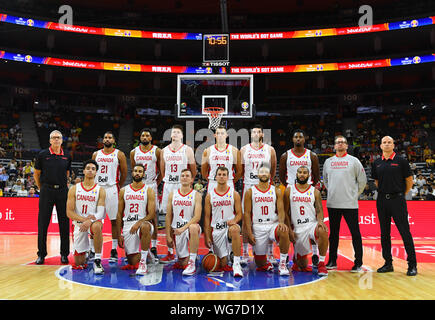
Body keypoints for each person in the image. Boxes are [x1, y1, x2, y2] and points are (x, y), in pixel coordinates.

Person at [371, 136, 417, 276]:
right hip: (382, 201)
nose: (386, 144)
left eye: (389, 142)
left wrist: (400, 194)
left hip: (398, 200)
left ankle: (412, 265)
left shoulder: (401, 161)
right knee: (385, 234)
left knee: (405, 232)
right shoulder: (376, 162)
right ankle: (388, 263)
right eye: (384, 142)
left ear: (393, 145)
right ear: (380, 146)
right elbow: (377, 182)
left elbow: (409, 181)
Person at [323, 135, 367, 272]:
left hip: (350, 204)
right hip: (333, 203)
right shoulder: (328, 162)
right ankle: (332, 261)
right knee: (333, 234)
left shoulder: (354, 161)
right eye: (338, 142)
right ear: (334, 146)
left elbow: (362, 181)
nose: (340, 144)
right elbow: (326, 181)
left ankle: (358, 262)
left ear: (347, 146)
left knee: (355, 233)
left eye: (343, 142)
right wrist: (333, 192)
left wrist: (354, 195)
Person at [279, 129, 321, 266]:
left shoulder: (312, 155)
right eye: (295, 137)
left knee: (312, 220)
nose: (298, 139)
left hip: (308, 190)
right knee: (291, 223)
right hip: (291, 190)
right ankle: (293, 253)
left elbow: (316, 174)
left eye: (300, 137)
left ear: (304, 139)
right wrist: (290, 186)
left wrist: (308, 187)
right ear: (292, 139)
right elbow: (281, 175)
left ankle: (315, 252)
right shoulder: (286, 155)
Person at [243, 165, 292, 275]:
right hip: (258, 225)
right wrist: (250, 233)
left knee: (284, 230)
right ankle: (265, 261)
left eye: (266, 172)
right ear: (258, 175)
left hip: (272, 224)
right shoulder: (250, 191)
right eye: (262, 172)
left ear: (270, 175)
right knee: (260, 263)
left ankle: (283, 264)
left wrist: (281, 223)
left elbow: (280, 210)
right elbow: (246, 213)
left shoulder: (276, 190)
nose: (264, 173)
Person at [33, 130, 72, 265]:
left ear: (62, 140)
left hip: (62, 191)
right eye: (54, 138)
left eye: (59, 138)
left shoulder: (67, 155)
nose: (56, 140)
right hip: (46, 191)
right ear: (50, 140)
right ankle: (41, 254)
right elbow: (36, 173)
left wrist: (61, 184)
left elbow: (67, 173)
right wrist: (42, 188)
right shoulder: (43, 155)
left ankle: (64, 254)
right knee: (43, 224)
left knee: (64, 224)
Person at [240, 124, 277, 265]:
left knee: (269, 219)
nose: (256, 134)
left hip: (265, 186)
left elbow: (272, 170)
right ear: (251, 134)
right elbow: (241, 169)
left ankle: (270, 253)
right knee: (246, 219)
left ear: (262, 134)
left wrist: (267, 181)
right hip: (249, 185)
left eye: (258, 132)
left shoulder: (270, 150)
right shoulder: (244, 149)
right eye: (253, 132)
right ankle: (244, 252)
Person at [160, 124, 197, 263]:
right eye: (173, 132)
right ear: (170, 135)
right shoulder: (164, 150)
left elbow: (193, 169)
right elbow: (162, 170)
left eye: (178, 132)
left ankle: (187, 251)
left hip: (183, 185)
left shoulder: (187, 150)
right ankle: (170, 252)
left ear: (182, 136)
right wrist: (169, 180)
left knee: (185, 217)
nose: (175, 134)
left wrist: (189, 183)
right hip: (169, 185)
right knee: (168, 218)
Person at [284, 166, 329, 277]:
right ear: (296, 174)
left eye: (305, 172)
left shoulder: (315, 191)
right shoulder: (289, 189)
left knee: (323, 230)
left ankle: (322, 263)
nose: (302, 174)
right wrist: (289, 229)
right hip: (297, 227)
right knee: (302, 266)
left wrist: (320, 221)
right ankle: (296, 256)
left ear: (309, 175)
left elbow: (319, 209)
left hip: (311, 224)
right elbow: (285, 212)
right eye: (300, 172)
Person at [92, 131, 128, 263]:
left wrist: (118, 184)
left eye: (110, 137)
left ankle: (113, 249)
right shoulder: (96, 154)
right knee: (95, 221)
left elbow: (124, 172)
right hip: (98, 189)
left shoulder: (119, 154)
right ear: (103, 140)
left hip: (112, 188)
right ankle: (92, 250)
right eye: (105, 137)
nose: (107, 139)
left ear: (114, 140)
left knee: (114, 221)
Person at [66, 159, 106, 273]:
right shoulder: (74, 189)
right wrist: (85, 220)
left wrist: (90, 221)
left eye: (93, 169)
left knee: (97, 227)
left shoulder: (100, 190)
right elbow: (69, 212)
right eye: (88, 168)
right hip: (79, 223)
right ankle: (88, 250)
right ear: (83, 171)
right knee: (79, 263)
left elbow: (101, 213)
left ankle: (97, 260)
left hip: (94, 222)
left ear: (96, 172)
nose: (90, 170)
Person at [116, 164, 156, 275]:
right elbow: (119, 214)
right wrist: (119, 234)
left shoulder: (149, 190)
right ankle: (146, 252)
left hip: (143, 222)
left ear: (143, 175)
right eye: (135, 171)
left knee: (145, 226)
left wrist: (139, 222)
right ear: (132, 173)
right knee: (132, 262)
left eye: (140, 171)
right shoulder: (124, 190)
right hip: (128, 223)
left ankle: (143, 263)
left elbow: (152, 214)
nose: (137, 173)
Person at [204, 166, 244, 277]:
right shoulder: (209, 195)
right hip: (216, 230)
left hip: (229, 228)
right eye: (219, 174)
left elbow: (240, 214)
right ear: (215, 177)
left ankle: (236, 264)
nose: (221, 177)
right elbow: (207, 217)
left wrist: (234, 220)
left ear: (228, 177)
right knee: (222, 264)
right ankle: (229, 252)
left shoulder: (234, 193)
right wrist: (207, 236)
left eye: (224, 175)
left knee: (235, 229)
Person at [130, 128, 162, 262]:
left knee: (153, 217)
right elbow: (133, 169)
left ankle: (153, 246)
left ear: (151, 138)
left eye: (147, 135)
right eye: (142, 135)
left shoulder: (157, 151)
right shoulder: (134, 152)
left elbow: (162, 170)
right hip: (138, 186)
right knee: (139, 214)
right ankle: (137, 246)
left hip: (151, 184)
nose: (144, 137)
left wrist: (155, 182)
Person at [165, 169, 202, 275]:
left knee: (194, 227)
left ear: (191, 179)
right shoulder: (173, 194)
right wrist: (168, 235)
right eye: (182, 175)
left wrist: (183, 228)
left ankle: (192, 262)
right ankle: (189, 257)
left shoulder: (196, 195)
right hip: (176, 230)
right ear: (180, 179)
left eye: (187, 175)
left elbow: (197, 217)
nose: (185, 177)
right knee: (182, 263)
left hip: (188, 228)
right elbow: (168, 216)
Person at [201, 125, 242, 192]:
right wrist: (212, 180)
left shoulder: (234, 150)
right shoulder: (207, 151)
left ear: (226, 135)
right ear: (215, 135)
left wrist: (230, 180)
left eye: (222, 133)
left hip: (228, 182)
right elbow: (204, 172)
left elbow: (239, 171)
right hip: (213, 182)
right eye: (218, 133)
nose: (220, 135)